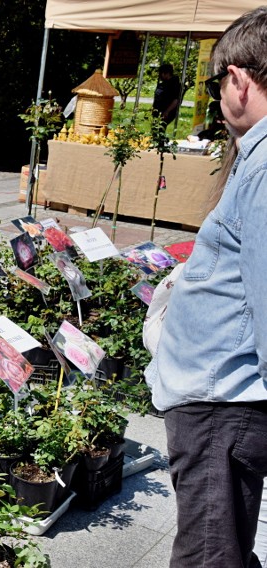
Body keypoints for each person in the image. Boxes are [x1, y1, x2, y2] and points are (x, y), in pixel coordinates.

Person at [145, 7, 267, 567]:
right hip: (218, 400)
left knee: (209, 555)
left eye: (218, 82)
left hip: (223, 403)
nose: (217, 96)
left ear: (239, 78)